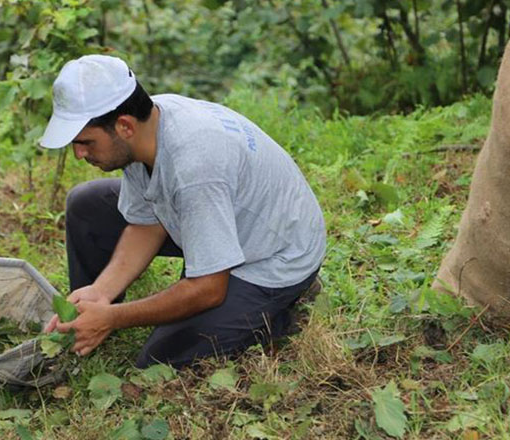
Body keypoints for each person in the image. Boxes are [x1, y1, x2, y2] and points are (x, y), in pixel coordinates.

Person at [40, 55, 326, 368]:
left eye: (85, 142)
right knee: (87, 204)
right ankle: (90, 318)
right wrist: (101, 291)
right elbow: (147, 225)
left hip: (273, 256)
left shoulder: (195, 165)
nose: (79, 153)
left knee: (160, 361)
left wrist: (116, 318)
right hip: (217, 218)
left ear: (124, 127)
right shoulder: (145, 126)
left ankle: (282, 308)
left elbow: (207, 290)